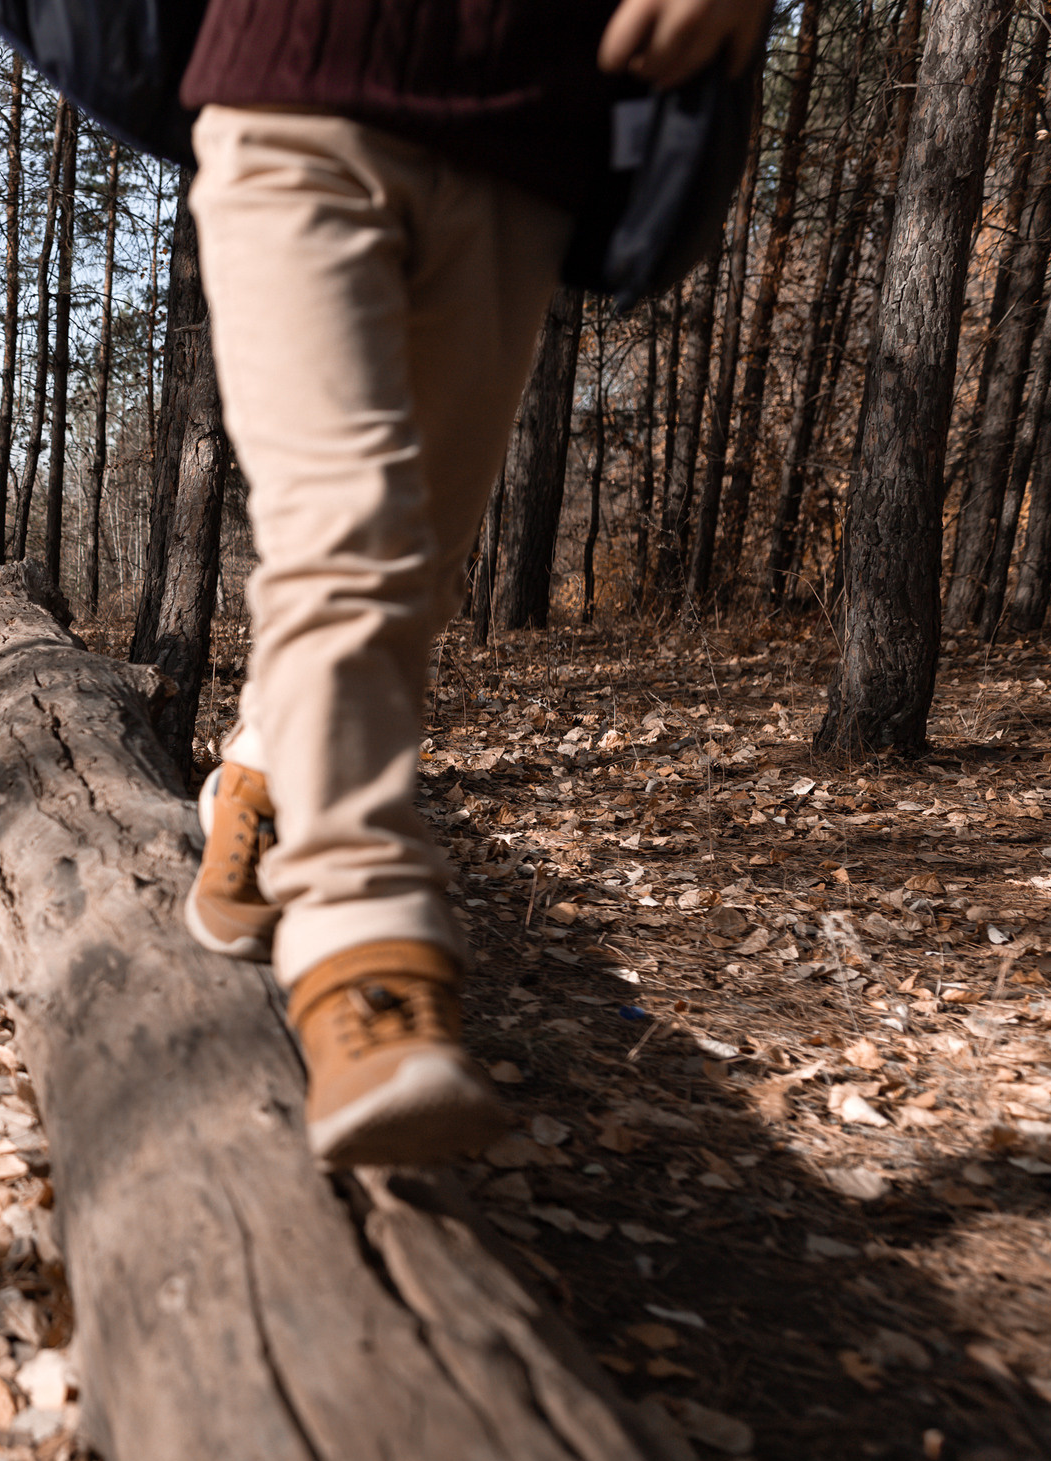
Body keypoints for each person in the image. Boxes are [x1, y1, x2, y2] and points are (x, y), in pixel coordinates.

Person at [177, 0, 768, 1168]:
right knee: (350, 534)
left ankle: (255, 774)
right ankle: (365, 959)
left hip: (519, 148)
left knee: (421, 565)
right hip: (293, 92)